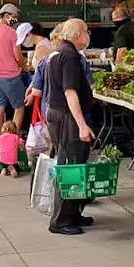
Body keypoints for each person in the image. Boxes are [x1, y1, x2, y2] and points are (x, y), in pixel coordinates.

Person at [44, 17, 96, 235]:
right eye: (86, 31)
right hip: (66, 117)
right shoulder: (69, 57)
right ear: (76, 35)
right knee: (70, 166)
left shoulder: (58, 52)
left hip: (58, 114)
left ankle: (73, 213)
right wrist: (82, 125)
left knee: (72, 163)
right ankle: (61, 220)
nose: (88, 35)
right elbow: (70, 92)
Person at [0, 3, 27, 132]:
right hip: (11, 77)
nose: (16, 20)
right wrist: (24, 66)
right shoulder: (12, 33)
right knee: (19, 107)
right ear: (6, 16)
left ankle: (0, 140)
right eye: (14, 17)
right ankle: (13, 138)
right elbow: (18, 56)